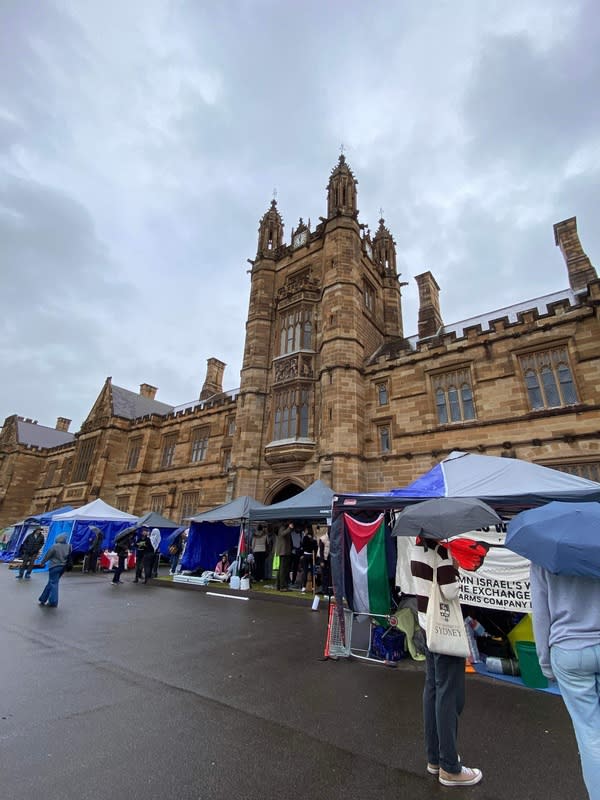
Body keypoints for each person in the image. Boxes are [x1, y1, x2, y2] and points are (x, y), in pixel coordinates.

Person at [410, 536, 482, 787]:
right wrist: (456, 569)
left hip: (426, 625)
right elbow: (449, 590)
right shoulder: (441, 551)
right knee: (449, 695)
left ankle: (435, 759)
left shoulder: (417, 549)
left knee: (432, 689)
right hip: (444, 630)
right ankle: (450, 767)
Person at [530, 564, 600, 800]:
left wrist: (545, 662)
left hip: (569, 649)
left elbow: (540, 612)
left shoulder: (545, 548)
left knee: (589, 732)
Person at [38, 534, 71, 607]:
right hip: (63, 567)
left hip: (54, 566)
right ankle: (42, 599)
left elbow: (48, 555)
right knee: (51, 582)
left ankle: (53, 601)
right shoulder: (68, 546)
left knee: (53, 584)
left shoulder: (55, 546)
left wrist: (42, 562)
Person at [274, 521, 293, 591]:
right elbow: (282, 534)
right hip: (284, 551)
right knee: (283, 570)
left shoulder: (282, 527)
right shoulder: (282, 528)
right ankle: (282, 586)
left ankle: (279, 586)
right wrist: (289, 528)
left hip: (283, 551)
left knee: (281, 569)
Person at [300, 528, 317, 593]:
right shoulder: (313, 539)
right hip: (311, 555)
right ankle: (313, 587)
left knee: (305, 571)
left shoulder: (305, 538)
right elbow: (315, 547)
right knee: (312, 571)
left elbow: (303, 546)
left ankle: (303, 587)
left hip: (306, 555)